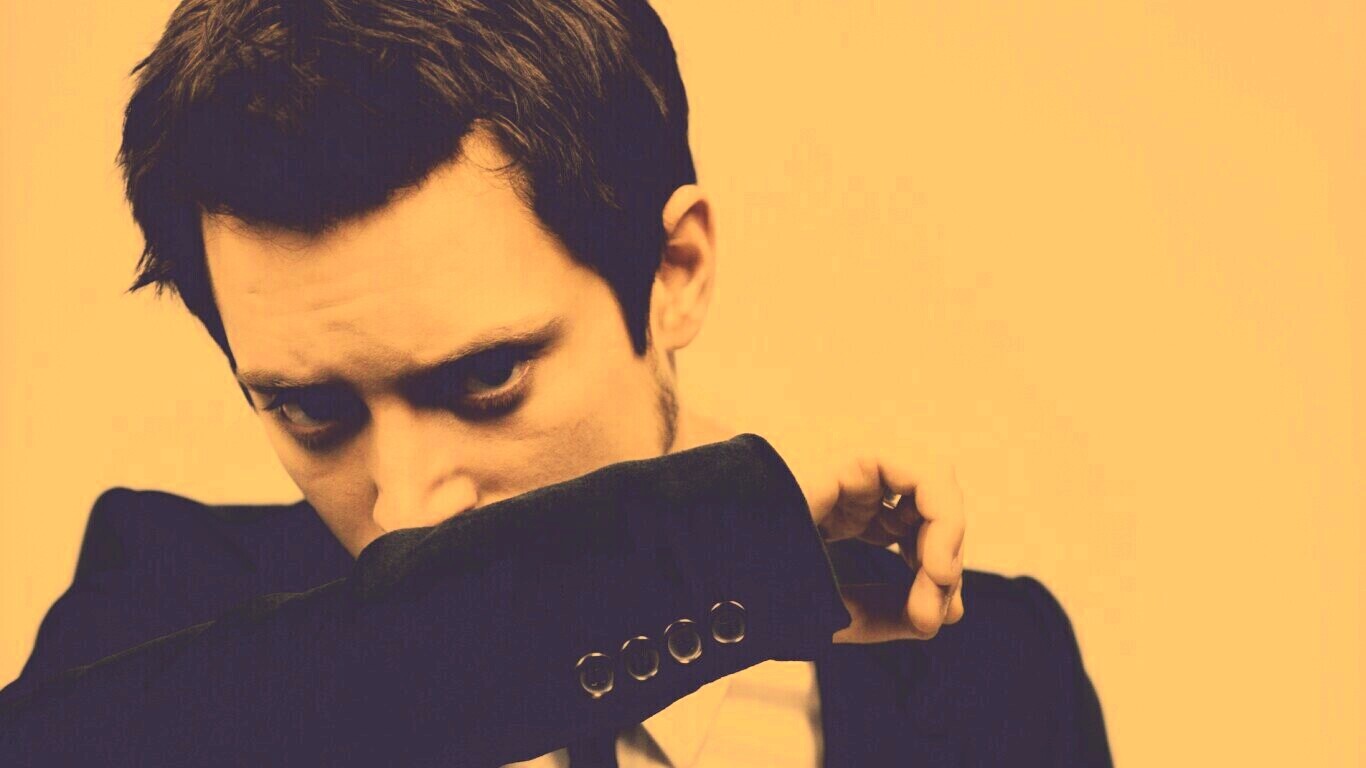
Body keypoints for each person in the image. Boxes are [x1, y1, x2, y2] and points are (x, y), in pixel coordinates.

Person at [0, 1, 1111, 765]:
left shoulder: (993, 682)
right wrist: (697, 563)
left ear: (673, 273)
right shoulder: (161, 621)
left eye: (488, 378)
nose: (407, 510)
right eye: (311, 411)